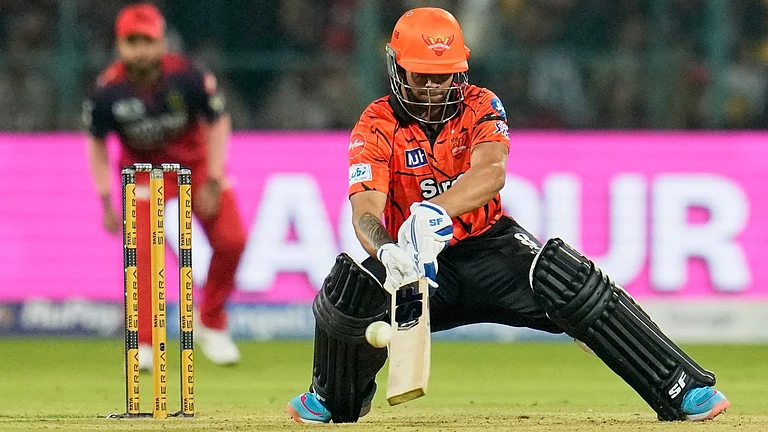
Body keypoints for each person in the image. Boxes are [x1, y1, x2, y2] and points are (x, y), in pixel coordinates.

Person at [286, 7, 730, 424]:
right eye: (421, 77)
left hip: (491, 250)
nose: (433, 89)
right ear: (397, 69)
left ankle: (680, 386)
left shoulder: (482, 105)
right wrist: (387, 251)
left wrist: (433, 213)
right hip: (414, 266)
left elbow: (490, 174)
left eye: (444, 77)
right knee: (348, 295)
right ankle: (335, 395)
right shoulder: (376, 123)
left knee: (569, 282)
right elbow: (365, 211)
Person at [84, 3, 245, 368]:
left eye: (148, 41)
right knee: (141, 253)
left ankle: (211, 321)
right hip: (142, 173)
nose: (140, 50)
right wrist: (106, 199)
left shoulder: (187, 77)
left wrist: (215, 179)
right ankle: (143, 341)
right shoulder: (107, 90)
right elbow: (94, 142)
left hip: (197, 167)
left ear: (162, 43)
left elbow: (218, 123)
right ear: (119, 45)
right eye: (131, 41)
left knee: (232, 240)